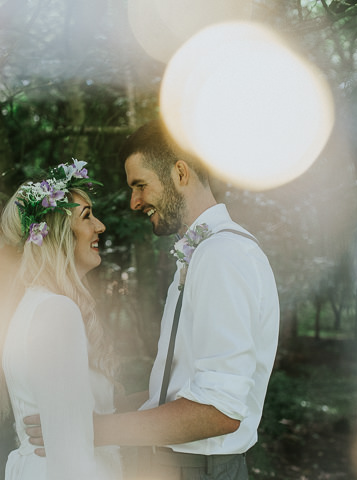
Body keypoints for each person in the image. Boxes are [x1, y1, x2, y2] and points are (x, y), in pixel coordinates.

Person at [26, 120, 280, 480]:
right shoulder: (201, 251)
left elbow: (219, 410)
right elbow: (184, 386)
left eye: (140, 185)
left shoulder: (223, 255)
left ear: (179, 173)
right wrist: (95, 408)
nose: (134, 202)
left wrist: (88, 431)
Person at [0, 159, 122, 480]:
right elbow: (71, 457)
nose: (100, 226)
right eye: (87, 216)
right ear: (58, 233)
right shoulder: (56, 312)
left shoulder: (36, 305)